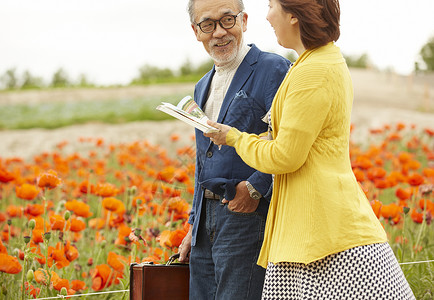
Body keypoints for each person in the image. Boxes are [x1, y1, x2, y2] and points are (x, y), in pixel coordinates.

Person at [205, 0, 415, 299]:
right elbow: (302, 141)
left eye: (271, 6)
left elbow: (285, 156)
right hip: (317, 229)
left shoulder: (312, 71)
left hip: (322, 235)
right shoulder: (318, 61)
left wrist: (236, 138)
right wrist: (266, 140)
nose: (267, 16)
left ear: (293, 15)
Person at [177, 0, 291, 299]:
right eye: (207, 24)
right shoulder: (202, 85)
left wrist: (255, 188)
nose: (219, 33)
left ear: (244, 21)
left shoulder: (272, 68)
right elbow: (203, 161)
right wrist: (193, 226)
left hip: (247, 215)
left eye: (227, 20)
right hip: (205, 220)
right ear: (195, 31)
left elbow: (287, 141)